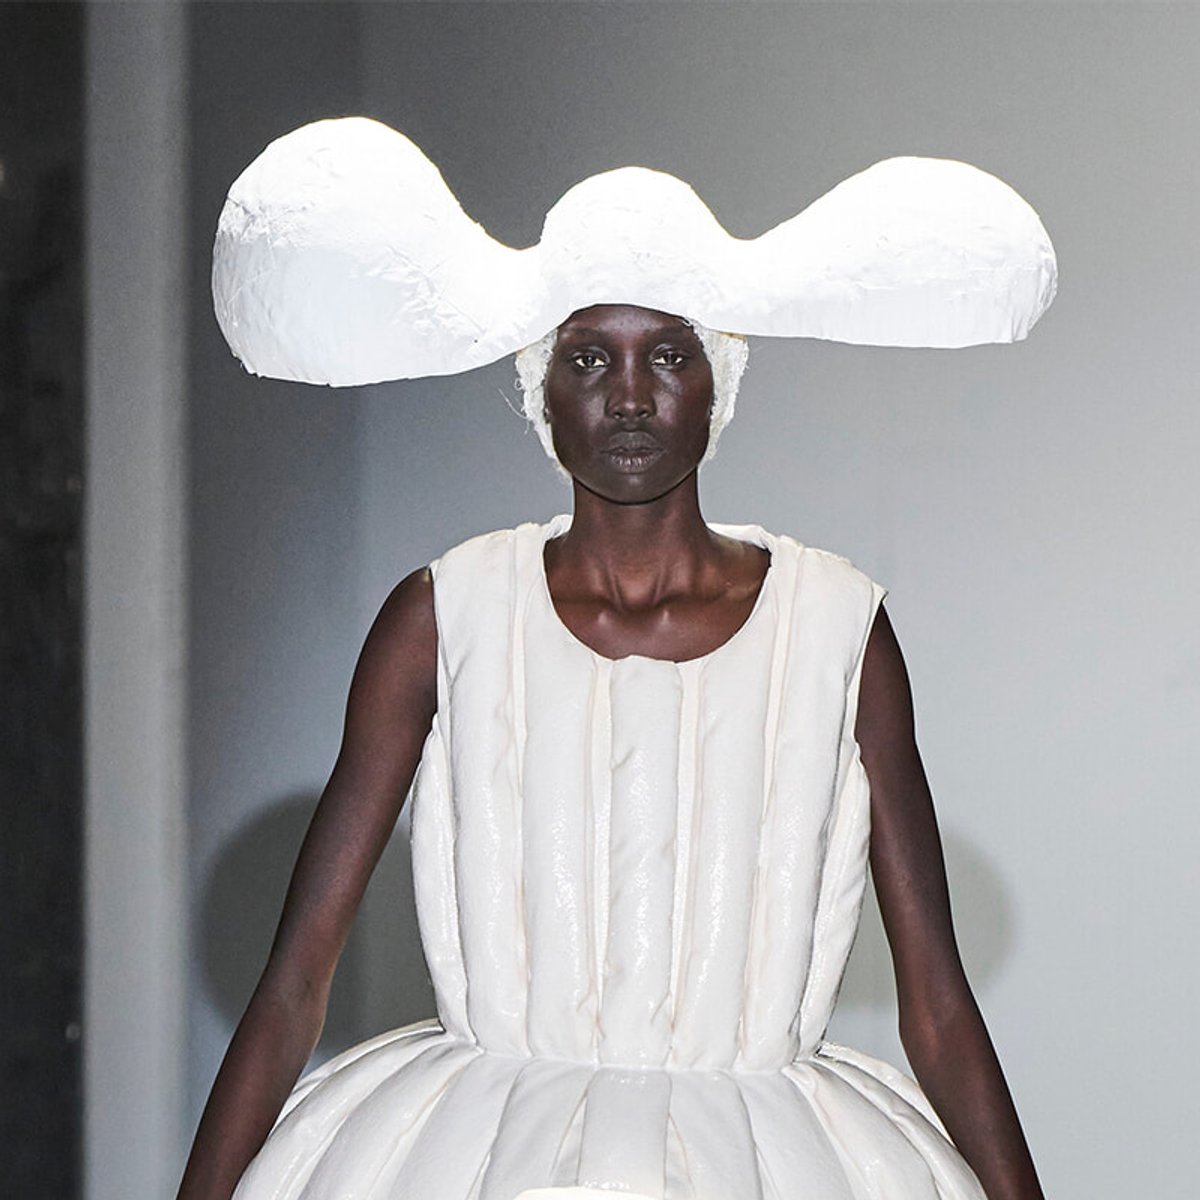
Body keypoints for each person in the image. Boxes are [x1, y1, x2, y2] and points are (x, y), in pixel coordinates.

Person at [181, 119, 1057, 1200]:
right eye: (590, 357)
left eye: (669, 354)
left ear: (719, 379)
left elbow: (937, 1001)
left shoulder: (838, 627)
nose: (630, 396)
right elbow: (295, 981)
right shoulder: (442, 616)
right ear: (541, 387)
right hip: (473, 1158)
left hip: (773, 1161)